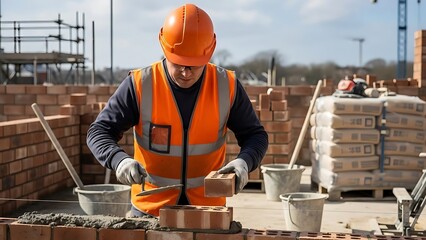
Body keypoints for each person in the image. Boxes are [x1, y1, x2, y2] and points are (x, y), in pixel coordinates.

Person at [87, 3, 268, 217]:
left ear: (209, 53)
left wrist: (244, 162)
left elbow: (256, 136)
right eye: (178, 62)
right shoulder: (140, 84)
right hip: (151, 208)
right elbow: (98, 132)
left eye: (194, 65)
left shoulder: (226, 85)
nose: (185, 72)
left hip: (207, 209)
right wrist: (119, 160)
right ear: (164, 49)